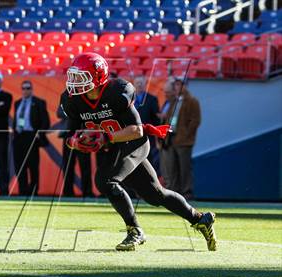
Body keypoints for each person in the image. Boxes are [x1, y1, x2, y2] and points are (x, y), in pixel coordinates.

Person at [61, 52, 216, 251]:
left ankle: (134, 230)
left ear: (98, 76)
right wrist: (74, 142)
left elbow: (137, 130)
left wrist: (106, 137)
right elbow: (71, 134)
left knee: (105, 180)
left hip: (133, 143)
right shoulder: (73, 100)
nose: (75, 82)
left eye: (81, 77)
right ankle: (200, 219)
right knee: (155, 195)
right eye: (73, 76)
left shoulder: (117, 92)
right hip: (112, 147)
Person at [161, 77, 201, 200]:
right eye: (176, 85)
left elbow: (195, 120)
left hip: (184, 141)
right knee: (171, 168)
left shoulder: (192, 101)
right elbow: (168, 119)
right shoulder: (173, 101)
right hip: (171, 138)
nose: (177, 87)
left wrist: (186, 135)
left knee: (184, 168)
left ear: (185, 86)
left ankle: (187, 192)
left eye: (180, 85)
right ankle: (174, 193)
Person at [12, 80, 50, 196]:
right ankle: (22, 190)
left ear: (32, 89)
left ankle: (33, 190)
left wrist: (40, 133)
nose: (25, 90)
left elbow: (45, 121)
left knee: (33, 165)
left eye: (28, 88)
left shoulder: (39, 102)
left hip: (31, 136)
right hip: (19, 136)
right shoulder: (17, 103)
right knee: (19, 165)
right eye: (23, 88)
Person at [57, 96, 94, 197]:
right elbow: (59, 112)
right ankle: (68, 192)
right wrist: (73, 112)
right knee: (68, 165)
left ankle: (87, 192)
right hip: (68, 135)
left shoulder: (86, 97)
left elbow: (89, 113)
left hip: (83, 134)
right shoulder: (65, 98)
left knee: (85, 165)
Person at [133, 76, 161, 175]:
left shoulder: (152, 99)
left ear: (145, 85)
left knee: (149, 161)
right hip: (132, 136)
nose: (139, 85)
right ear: (134, 85)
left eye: (141, 83)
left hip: (148, 137)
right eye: (137, 83)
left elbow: (156, 119)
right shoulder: (129, 99)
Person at [158, 78, 176, 188]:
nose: (166, 94)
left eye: (168, 92)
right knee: (165, 167)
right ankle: (168, 186)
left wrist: (167, 118)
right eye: (165, 92)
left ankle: (173, 189)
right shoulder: (166, 103)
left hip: (172, 138)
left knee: (171, 167)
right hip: (163, 139)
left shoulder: (176, 103)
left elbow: (174, 120)